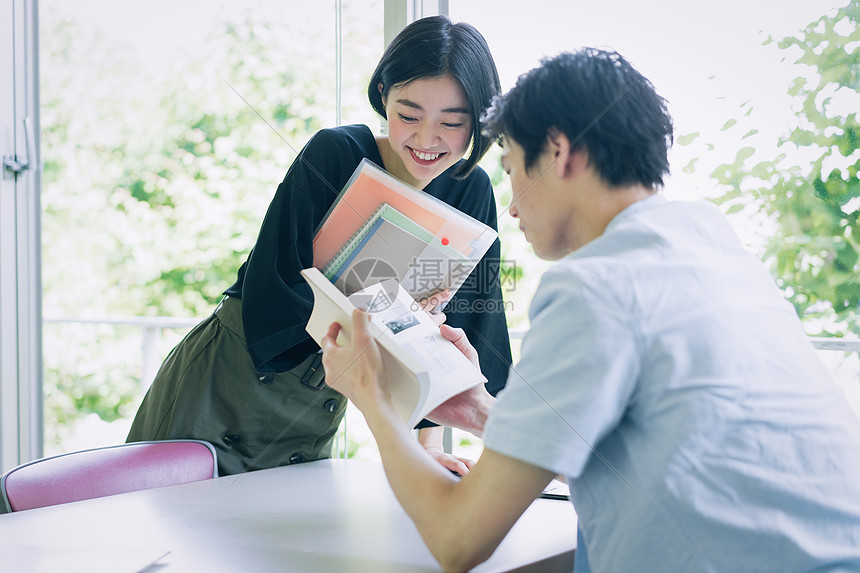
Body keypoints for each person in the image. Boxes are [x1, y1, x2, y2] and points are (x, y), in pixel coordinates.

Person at [319, 48, 860, 572]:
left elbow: (457, 541)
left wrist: (373, 398)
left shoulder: (592, 286)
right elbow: (654, 447)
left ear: (558, 152)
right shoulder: (710, 240)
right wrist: (482, 411)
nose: (510, 203)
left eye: (510, 169)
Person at [126, 16, 512, 477]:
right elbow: (276, 289)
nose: (427, 140)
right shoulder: (335, 152)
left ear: (479, 124)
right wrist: (390, 317)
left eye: (452, 123)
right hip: (229, 381)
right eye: (409, 115)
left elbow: (460, 333)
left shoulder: (472, 192)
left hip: (317, 403)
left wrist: (427, 446)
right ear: (383, 94)